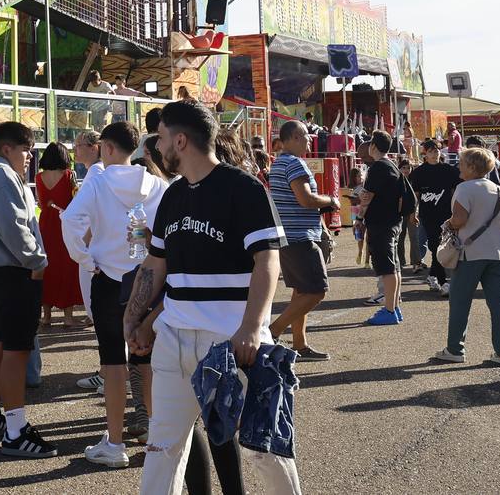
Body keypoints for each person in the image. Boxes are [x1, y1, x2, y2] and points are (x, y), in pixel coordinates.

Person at [123, 99, 300, 494]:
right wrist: (136, 319)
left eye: (162, 137)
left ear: (181, 140)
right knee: (162, 448)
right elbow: (156, 265)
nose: (157, 146)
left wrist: (254, 327)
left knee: (262, 448)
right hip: (174, 340)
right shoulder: (173, 196)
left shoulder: (244, 188)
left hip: (231, 342)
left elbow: (268, 263)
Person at [61, 121, 168, 469]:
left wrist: (85, 257)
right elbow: (167, 227)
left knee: (112, 362)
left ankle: (116, 442)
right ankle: (152, 435)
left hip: (108, 279)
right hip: (146, 279)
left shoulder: (97, 182)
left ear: (107, 147)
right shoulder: (154, 183)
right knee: (146, 357)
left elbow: (71, 221)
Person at [0, 121, 55, 457]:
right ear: (7, 149)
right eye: (25, 149)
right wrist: (37, 261)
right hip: (13, 273)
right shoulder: (2, 177)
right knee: (17, 350)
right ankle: (16, 431)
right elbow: (14, 228)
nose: (29, 156)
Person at [432, 147, 500, 367]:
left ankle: (455, 349)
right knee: (498, 303)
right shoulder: (499, 190)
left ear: (471, 166)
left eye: (461, 163)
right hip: (497, 252)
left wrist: (448, 224)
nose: (458, 166)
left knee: (460, 301)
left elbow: (459, 219)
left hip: (470, 253)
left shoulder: (464, 188)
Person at [266, 120, 341, 360]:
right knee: (317, 290)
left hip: (288, 236)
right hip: (300, 237)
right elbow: (306, 200)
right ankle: (273, 331)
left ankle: (300, 344)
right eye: (306, 136)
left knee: (301, 291)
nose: (310, 140)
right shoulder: (294, 164)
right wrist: (331, 200)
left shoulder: (278, 163)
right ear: (295, 137)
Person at [361, 131, 412, 325]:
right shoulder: (391, 165)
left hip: (381, 222)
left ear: (373, 146)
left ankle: (389, 310)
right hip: (392, 221)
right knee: (394, 265)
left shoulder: (378, 167)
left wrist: (360, 216)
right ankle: (394, 306)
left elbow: (367, 196)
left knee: (387, 267)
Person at [36, 142, 85, 328]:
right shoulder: (69, 175)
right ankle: (68, 317)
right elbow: (77, 199)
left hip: (45, 225)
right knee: (67, 267)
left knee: (47, 268)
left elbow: (41, 203)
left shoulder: (39, 177)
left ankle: (46, 316)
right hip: (65, 225)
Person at [409, 138, 460, 297]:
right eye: (431, 151)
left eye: (437, 150)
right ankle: (443, 282)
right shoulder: (418, 173)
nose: (434, 153)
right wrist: (413, 213)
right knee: (434, 245)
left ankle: (433, 276)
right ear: (425, 154)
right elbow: (415, 196)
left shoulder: (449, 170)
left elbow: (455, 193)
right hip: (427, 215)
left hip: (446, 215)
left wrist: (456, 213)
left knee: (443, 246)